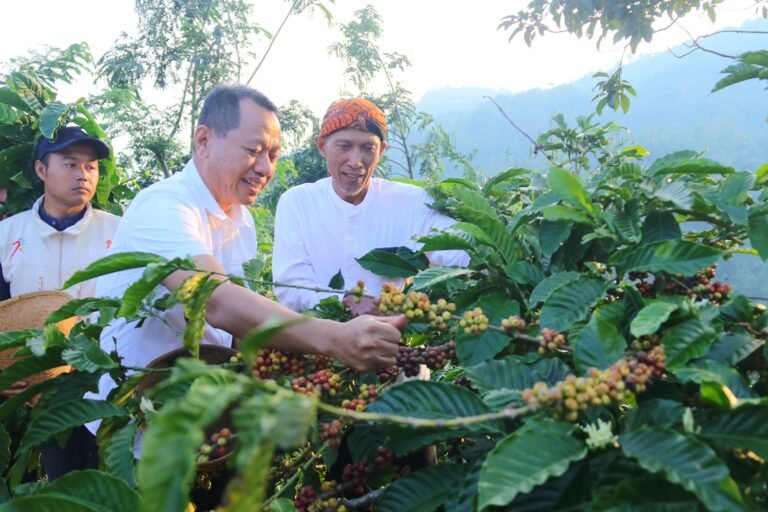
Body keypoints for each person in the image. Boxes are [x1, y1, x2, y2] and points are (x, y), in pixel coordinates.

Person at [92, 85, 404, 408]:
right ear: (203, 141)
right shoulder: (162, 208)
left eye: (273, 155)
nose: (266, 168)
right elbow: (215, 300)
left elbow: (235, 329)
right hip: (132, 417)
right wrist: (335, 339)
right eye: (253, 150)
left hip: (198, 417)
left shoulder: (242, 221)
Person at [0, 125, 120, 478]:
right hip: (41, 392)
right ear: (41, 170)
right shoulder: (7, 236)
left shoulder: (120, 233)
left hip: (110, 385)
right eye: (70, 164)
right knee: (65, 485)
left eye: (91, 166)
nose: (83, 175)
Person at [272, 98, 468, 312]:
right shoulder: (299, 203)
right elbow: (289, 288)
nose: (355, 161)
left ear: (381, 150)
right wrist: (347, 303)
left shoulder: (413, 202)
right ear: (322, 147)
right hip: (315, 339)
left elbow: (463, 251)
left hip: (387, 337)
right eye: (344, 146)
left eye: (368, 148)